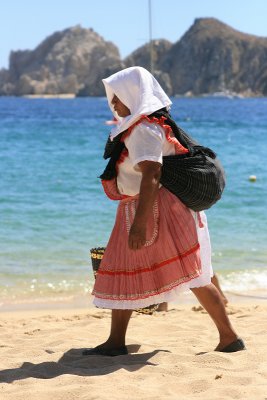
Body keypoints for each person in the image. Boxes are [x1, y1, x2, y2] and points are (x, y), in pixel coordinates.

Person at [83, 66, 245, 356]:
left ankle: (229, 337)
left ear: (133, 95)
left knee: (188, 273)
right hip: (146, 206)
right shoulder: (145, 125)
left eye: (118, 97)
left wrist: (140, 223)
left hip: (156, 209)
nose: (114, 104)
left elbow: (152, 174)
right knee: (130, 270)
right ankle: (116, 341)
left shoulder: (143, 129)